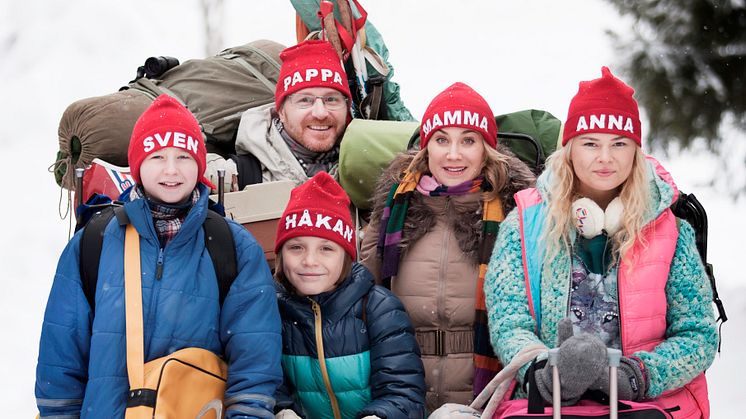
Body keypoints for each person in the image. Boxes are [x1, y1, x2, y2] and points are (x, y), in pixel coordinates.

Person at [484, 67, 718, 417]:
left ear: (635, 152)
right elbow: (508, 321)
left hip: (642, 406)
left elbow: (697, 335)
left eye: (619, 144)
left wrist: (638, 375)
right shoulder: (524, 224)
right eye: (591, 143)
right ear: (570, 150)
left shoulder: (671, 231)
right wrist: (540, 370)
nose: (605, 158)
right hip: (548, 408)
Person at [35, 94, 283, 418]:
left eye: (183, 156)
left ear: (199, 163)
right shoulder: (93, 243)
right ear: (138, 165)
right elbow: (60, 366)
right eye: (157, 157)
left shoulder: (232, 247)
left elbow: (255, 365)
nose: (171, 170)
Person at [359, 82, 535, 411]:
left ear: (486, 148)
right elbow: (363, 299)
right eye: (441, 139)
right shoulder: (394, 208)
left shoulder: (517, 213)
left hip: (487, 397)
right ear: (427, 147)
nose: (453, 154)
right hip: (401, 392)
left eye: (468, 140)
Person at [272, 171, 426, 419]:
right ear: (280, 254)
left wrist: (380, 416)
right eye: (296, 247)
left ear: (345, 255)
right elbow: (266, 385)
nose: (309, 261)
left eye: (326, 249)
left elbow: (405, 394)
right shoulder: (271, 311)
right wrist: (281, 410)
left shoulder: (379, 309)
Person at [235, 39, 353, 186]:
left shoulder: (368, 174)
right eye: (305, 100)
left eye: (331, 99)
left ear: (346, 108)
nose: (320, 113)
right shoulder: (237, 176)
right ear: (281, 112)